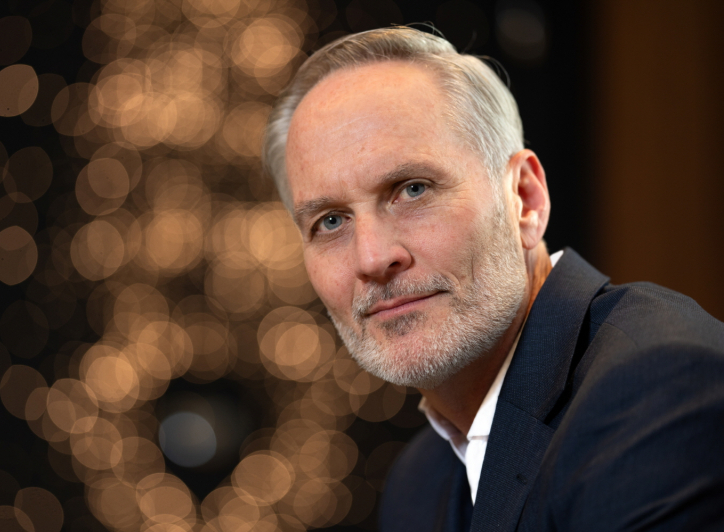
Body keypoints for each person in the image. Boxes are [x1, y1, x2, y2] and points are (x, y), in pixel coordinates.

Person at [261, 26, 724, 531]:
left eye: (413, 189)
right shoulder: (419, 483)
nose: (372, 258)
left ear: (524, 199)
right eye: (330, 221)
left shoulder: (656, 392)